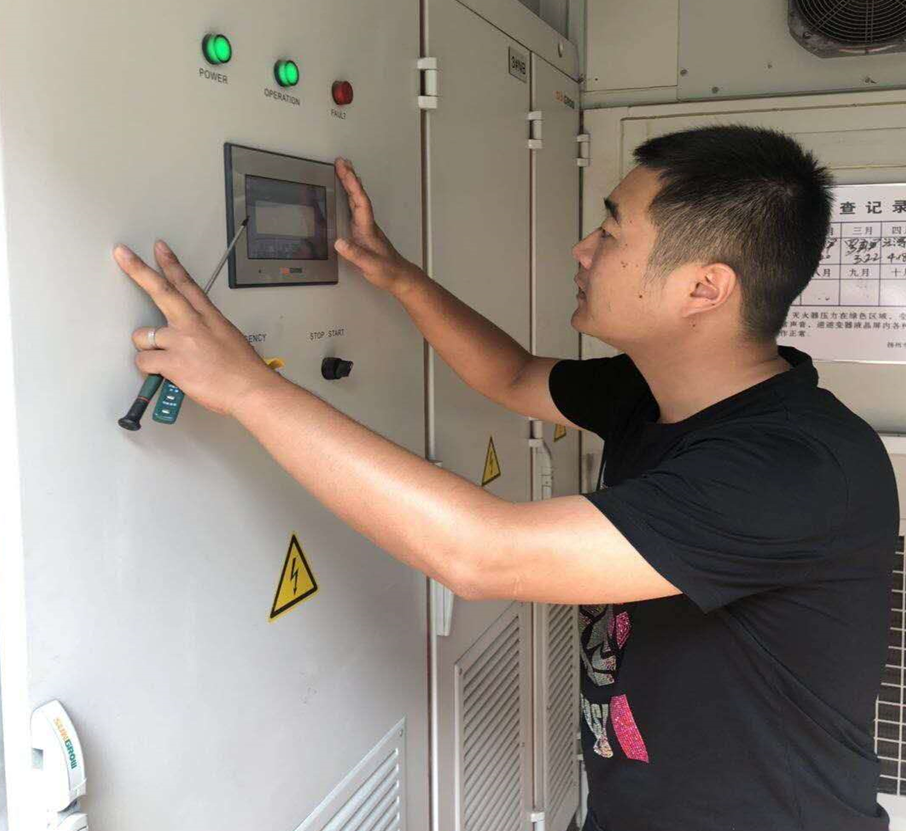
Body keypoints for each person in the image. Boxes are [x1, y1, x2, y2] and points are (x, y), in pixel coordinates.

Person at [114, 123, 898, 831]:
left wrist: (249, 388)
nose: (583, 249)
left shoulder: (795, 467)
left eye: (611, 230)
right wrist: (401, 278)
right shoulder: (658, 391)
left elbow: (483, 553)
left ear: (705, 288)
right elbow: (514, 374)